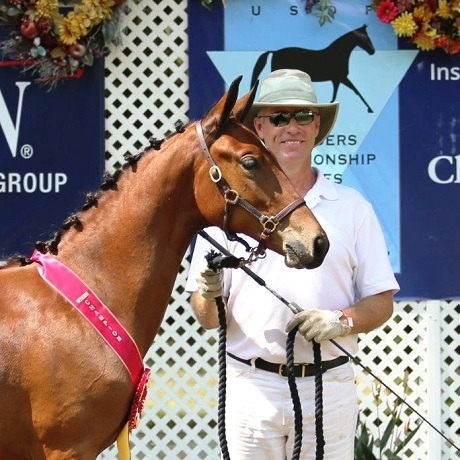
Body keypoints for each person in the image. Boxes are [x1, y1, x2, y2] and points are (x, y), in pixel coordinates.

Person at [185, 69, 399, 460]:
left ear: (317, 125)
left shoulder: (352, 208)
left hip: (327, 387)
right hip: (250, 386)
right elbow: (208, 317)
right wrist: (207, 291)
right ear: (260, 128)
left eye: (302, 116)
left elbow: (381, 301)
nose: (292, 127)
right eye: (279, 117)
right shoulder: (228, 209)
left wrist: (342, 320)